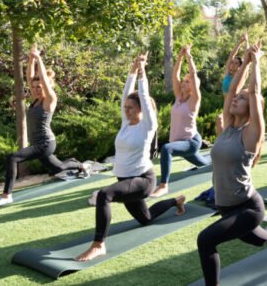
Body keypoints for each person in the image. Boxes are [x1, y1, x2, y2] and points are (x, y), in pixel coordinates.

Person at [197, 41, 267, 286]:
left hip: (247, 207)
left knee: (205, 240)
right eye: (236, 97)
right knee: (260, 239)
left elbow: (252, 92)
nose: (236, 99)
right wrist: (245, 60)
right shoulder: (229, 127)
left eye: (242, 99)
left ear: (251, 107)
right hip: (225, 206)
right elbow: (231, 90)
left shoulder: (252, 133)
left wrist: (257, 62)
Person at [76, 53, 185, 261]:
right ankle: (175, 201)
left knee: (103, 195)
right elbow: (127, 93)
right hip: (125, 180)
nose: (126, 111)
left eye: (130, 108)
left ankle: (98, 244)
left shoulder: (147, 126)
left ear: (141, 110)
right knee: (146, 218)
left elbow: (143, 96)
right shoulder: (126, 123)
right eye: (125, 108)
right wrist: (132, 71)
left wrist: (142, 73)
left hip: (142, 180)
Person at [0, 44, 90, 207]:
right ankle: (81, 165)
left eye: (39, 87)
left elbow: (42, 78)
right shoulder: (36, 99)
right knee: (58, 168)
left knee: (12, 157)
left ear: (47, 86)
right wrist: (30, 59)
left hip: (45, 143)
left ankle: (7, 195)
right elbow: (30, 77)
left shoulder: (49, 100)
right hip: (38, 144)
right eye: (34, 87)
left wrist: (39, 59)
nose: (35, 89)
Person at [151, 45, 208, 197]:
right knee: (206, 166)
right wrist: (180, 57)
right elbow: (174, 75)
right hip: (180, 142)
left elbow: (194, 75)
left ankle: (163, 185)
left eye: (187, 82)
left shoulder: (194, 100)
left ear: (194, 86)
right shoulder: (178, 98)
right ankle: (218, 166)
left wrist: (189, 56)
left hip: (190, 142)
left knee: (167, 149)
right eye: (184, 81)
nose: (183, 83)